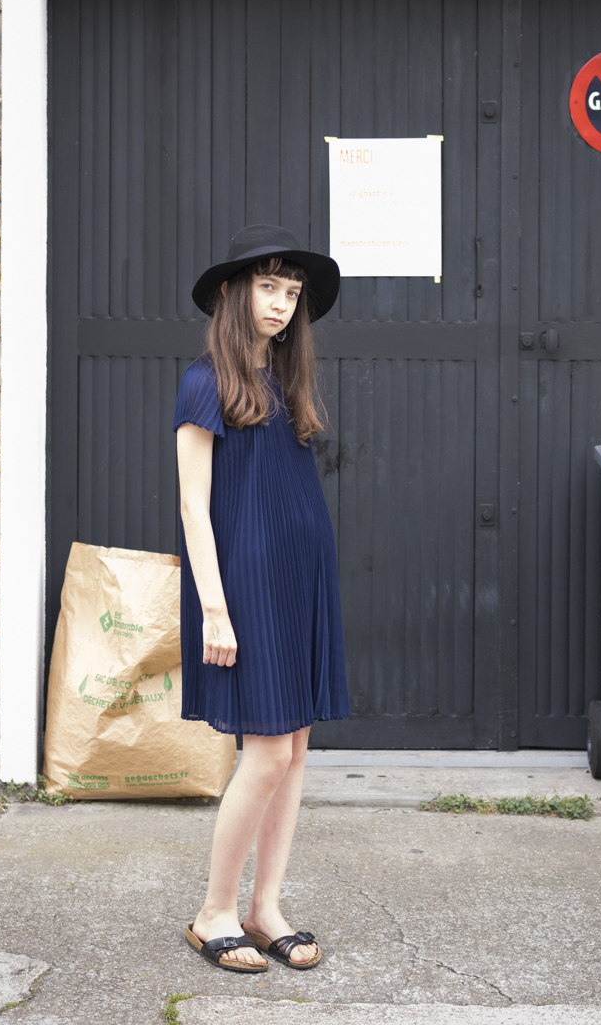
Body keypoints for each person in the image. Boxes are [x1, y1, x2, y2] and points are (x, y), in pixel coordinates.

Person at [176, 225, 350, 974]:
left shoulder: (283, 383)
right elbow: (194, 507)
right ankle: (214, 911)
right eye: (268, 286)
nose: (281, 303)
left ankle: (264, 908)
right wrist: (214, 608)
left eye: (292, 292)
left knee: (294, 749)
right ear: (231, 292)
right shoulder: (203, 383)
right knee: (268, 751)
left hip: (299, 577)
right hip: (243, 586)